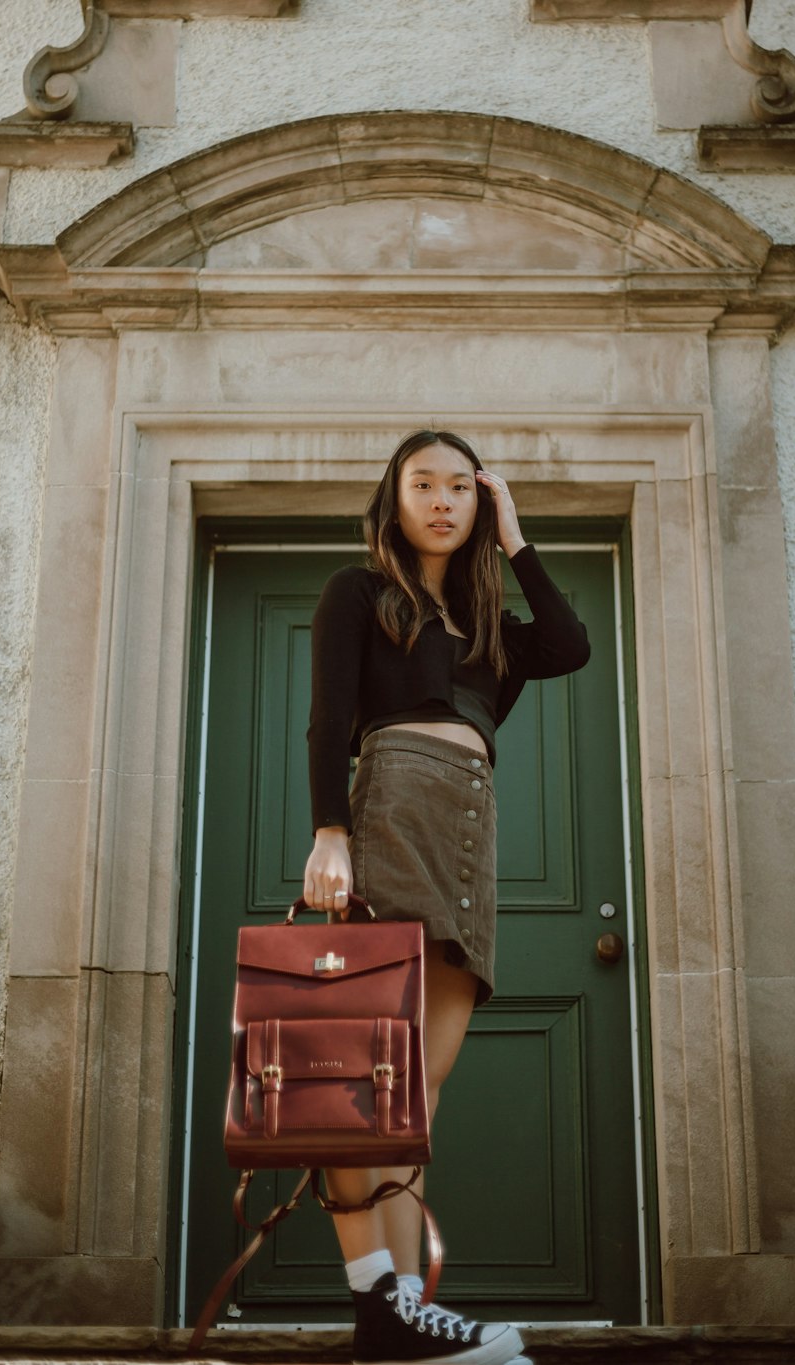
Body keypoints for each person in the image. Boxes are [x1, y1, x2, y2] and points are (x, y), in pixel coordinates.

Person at [304, 430, 590, 1365]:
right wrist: (330, 831)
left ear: (479, 500)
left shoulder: (490, 632)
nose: (440, 499)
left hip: (470, 829)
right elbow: (326, 718)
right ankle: (378, 1299)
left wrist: (514, 537)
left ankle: (405, 1312)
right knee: (365, 1077)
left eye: (459, 487)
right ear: (394, 498)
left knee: (417, 1090)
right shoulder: (358, 593)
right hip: (391, 811)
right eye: (421, 483)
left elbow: (571, 642)